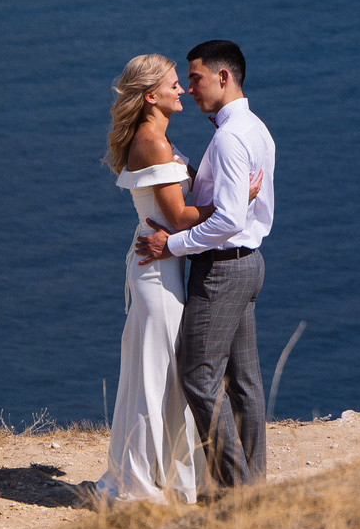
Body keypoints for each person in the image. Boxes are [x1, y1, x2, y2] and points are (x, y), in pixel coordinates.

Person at [134, 39, 274, 491]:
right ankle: (252, 487)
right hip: (249, 263)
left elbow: (229, 219)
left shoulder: (230, 137)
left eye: (195, 78)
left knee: (198, 376)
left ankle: (235, 492)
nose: (190, 89)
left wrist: (173, 246)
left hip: (222, 270)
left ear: (223, 77)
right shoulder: (255, 128)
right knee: (245, 382)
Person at [95, 53, 222, 503]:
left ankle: (154, 476)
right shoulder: (155, 144)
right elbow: (182, 217)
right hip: (157, 272)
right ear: (151, 96)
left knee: (158, 376)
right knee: (155, 378)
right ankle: (138, 485)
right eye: (173, 84)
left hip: (161, 265)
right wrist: (237, 202)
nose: (182, 89)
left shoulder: (159, 139)